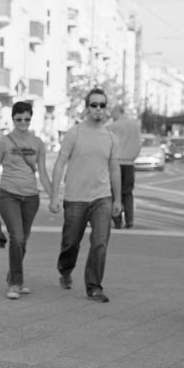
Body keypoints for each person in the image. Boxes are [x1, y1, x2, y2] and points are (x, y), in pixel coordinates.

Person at [50, 87, 121, 303]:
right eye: (94, 105)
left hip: (102, 197)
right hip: (75, 198)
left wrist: (118, 199)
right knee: (71, 242)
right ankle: (65, 269)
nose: (98, 109)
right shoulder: (75, 133)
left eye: (102, 105)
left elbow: (115, 168)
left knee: (100, 243)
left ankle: (94, 287)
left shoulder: (110, 137)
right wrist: (55, 195)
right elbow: (61, 162)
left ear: (105, 109)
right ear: (87, 108)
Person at [0, 101, 56, 299]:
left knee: (22, 241)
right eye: (19, 119)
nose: (23, 122)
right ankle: (15, 283)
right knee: (18, 237)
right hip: (9, 195)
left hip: (31, 197)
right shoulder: (4, 142)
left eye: (27, 119)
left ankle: (13, 274)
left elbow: (44, 174)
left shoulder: (38, 142)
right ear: (13, 119)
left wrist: (53, 197)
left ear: (31, 119)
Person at [106, 105, 141, 229]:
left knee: (115, 193)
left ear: (117, 112)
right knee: (128, 193)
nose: (111, 114)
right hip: (130, 163)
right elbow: (139, 144)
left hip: (116, 163)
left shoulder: (112, 126)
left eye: (112, 112)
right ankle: (129, 220)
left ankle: (117, 220)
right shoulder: (135, 126)